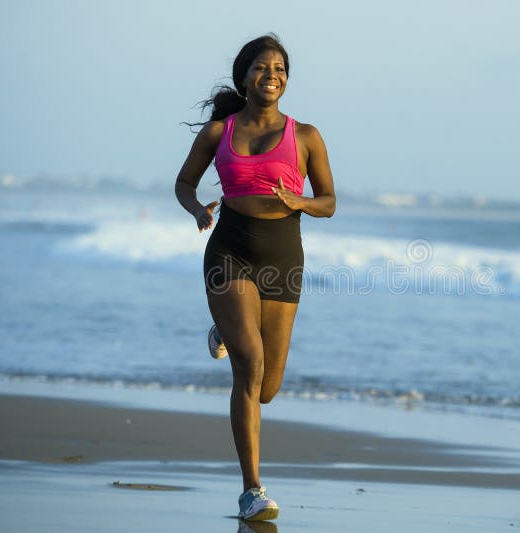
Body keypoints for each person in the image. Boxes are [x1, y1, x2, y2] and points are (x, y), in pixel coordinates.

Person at [174, 34, 336, 521]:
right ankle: (252, 492)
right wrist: (197, 209)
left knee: (267, 386)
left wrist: (300, 202)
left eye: (280, 68)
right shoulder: (218, 132)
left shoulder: (305, 136)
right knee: (247, 367)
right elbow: (184, 183)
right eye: (262, 68)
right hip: (230, 251)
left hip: (284, 258)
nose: (272, 75)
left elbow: (329, 201)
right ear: (245, 76)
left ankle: (224, 327)